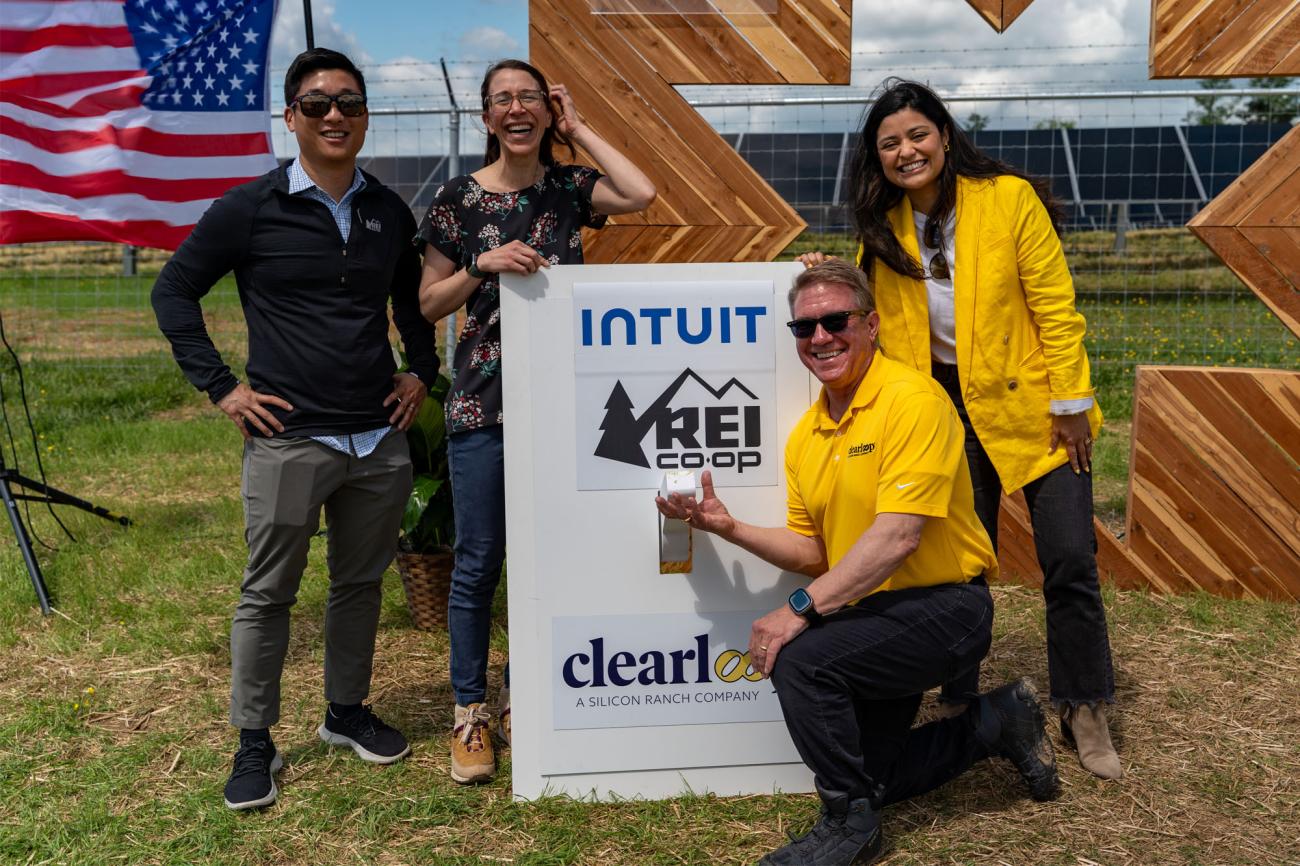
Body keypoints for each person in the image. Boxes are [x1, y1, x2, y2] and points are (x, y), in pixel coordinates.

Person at [656, 261, 1059, 866]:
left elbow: (898, 537)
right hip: (874, 613)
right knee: (878, 773)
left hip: (948, 607)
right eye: (805, 327)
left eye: (836, 321)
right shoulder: (807, 435)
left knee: (800, 659)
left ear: (870, 325)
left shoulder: (913, 401)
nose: (820, 337)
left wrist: (797, 609)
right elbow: (815, 551)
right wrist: (728, 527)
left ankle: (848, 826)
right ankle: (995, 722)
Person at [802, 78, 1120, 780]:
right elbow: (856, 303)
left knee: (1068, 558)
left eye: (917, 134)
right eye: (890, 143)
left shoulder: (1009, 199)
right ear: (877, 158)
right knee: (956, 563)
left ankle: (1085, 704)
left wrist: (1071, 401)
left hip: (1035, 408)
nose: (906, 150)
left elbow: (1056, 306)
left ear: (945, 135)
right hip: (942, 411)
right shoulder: (880, 224)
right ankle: (959, 688)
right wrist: (821, 271)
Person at [152, 48, 438, 810]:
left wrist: (422, 371)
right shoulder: (250, 207)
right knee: (268, 593)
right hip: (289, 438)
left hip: (376, 440)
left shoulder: (388, 210)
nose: (334, 115)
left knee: (359, 586)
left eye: (348, 101)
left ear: (366, 113)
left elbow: (411, 306)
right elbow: (174, 291)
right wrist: (223, 390)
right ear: (291, 119)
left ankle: (345, 713)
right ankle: (254, 744)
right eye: (316, 105)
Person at [415, 59, 655, 784]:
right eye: (502, 100)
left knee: (548, 558)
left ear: (546, 110)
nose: (516, 109)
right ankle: (469, 713)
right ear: (486, 117)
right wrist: (480, 266)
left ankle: (524, 692)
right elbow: (429, 305)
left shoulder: (567, 188)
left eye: (530, 98)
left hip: (562, 403)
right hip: (482, 403)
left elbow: (641, 192)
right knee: (480, 560)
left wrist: (578, 128)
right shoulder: (456, 202)